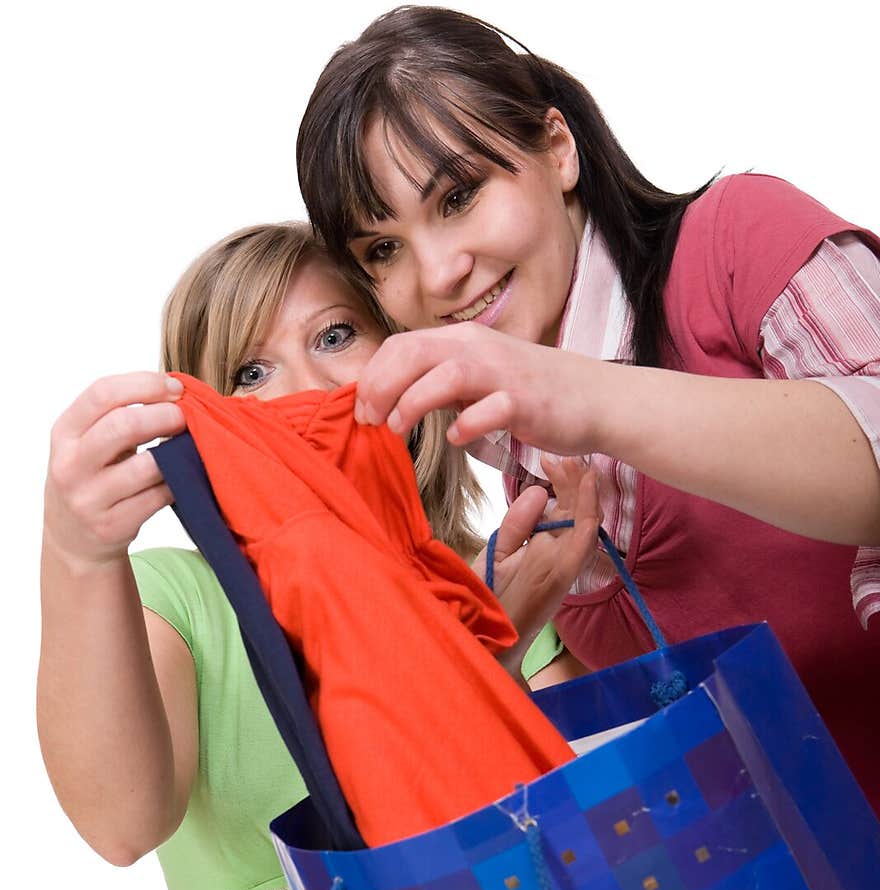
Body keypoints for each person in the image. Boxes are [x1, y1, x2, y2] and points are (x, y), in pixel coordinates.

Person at [37, 221, 596, 890]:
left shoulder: (492, 590)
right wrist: (74, 552)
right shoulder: (176, 602)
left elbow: (588, 887)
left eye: (336, 334)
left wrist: (496, 638)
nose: (302, 384)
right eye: (250, 369)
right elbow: (117, 815)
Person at [296, 4, 880, 815]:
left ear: (558, 150)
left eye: (459, 195)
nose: (437, 274)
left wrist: (575, 393)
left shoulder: (736, 243)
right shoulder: (521, 476)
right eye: (384, 249)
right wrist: (498, 646)